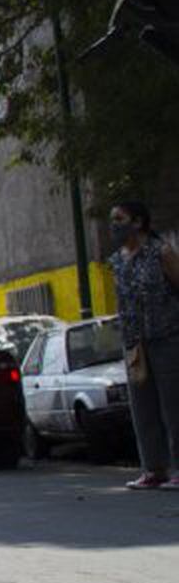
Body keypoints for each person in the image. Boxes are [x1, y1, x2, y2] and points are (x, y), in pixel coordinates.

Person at [106, 201, 179, 489]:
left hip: (167, 336)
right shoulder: (117, 261)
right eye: (112, 219)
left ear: (137, 222)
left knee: (174, 406)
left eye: (119, 219)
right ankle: (153, 469)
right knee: (142, 407)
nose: (114, 225)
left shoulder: (161, 252)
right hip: (135, 343)